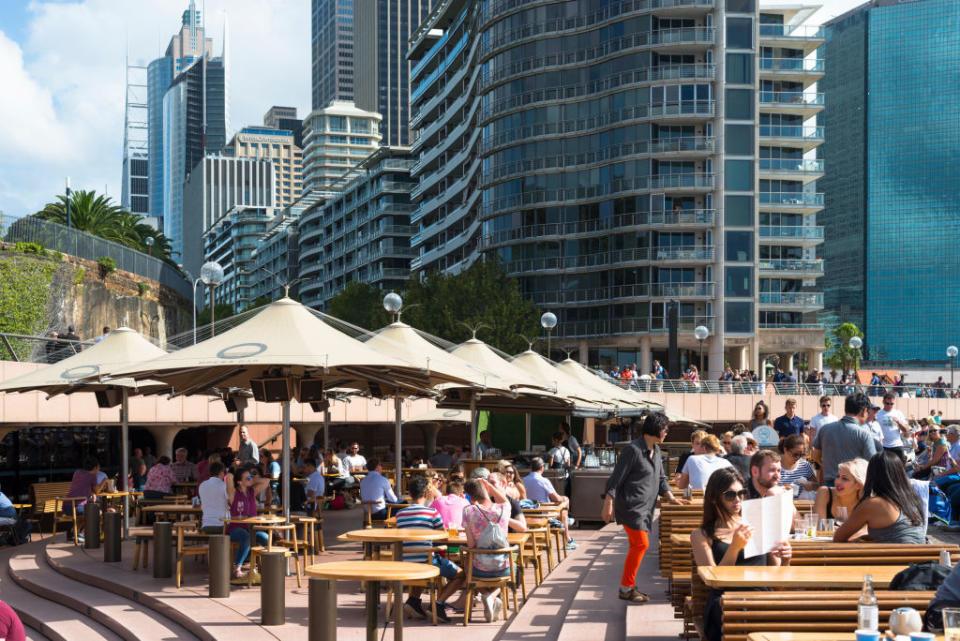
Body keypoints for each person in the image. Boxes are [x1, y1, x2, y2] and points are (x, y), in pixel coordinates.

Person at [690, 467, 792, 641]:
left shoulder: (757, 525)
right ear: (714, 498)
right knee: (735, 614)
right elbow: (715, 583)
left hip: (761, 597)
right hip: (726, 600)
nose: (737, 500)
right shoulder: (702, 535)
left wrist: (786, 559)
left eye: (741, 493)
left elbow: (777, 583)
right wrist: (734, 548)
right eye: (730, 495)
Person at [602, 413, 688, 603]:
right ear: (656, 429)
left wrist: (672, 498)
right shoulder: (632, 450)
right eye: (665, 429)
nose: (667, 433)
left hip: (645, 509)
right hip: (631, 507)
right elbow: (616, 478)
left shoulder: (656, 451)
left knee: (637, 545)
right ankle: (626, 587)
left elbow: (661, 479)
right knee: (641, 544)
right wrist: (608, 502)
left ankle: (628, 586)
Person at [394, 477, 464, 623]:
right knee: (461, 575)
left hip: (405, 562)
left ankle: (413, 601)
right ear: (426, 494)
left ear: (409, 494)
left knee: (423, 557)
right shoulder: (432, 513)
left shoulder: (399, 515)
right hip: (427, 561)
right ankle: (437, 605)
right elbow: (444, 537)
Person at [833, 451, 925, 544]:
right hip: (921, 556)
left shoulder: (873, 504)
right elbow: (899, 532)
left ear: (872, 475)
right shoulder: (912, 499)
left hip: (896, 557)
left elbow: (839, 537)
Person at [462, 477, 513, 622]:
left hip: (480, 569)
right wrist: (489, 485)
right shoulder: (503, 508)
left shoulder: (468, 511)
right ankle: (492, 596)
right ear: (486, 490)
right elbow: (505, 501)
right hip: (503, 568)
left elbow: (471, 545)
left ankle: (486, 594)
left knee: (468, 565)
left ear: (469, 494)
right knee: (514, 568)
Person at [812, 393, 879, 485]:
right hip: (852, 489)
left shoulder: (825, 429)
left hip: (829, 488)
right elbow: (873, 464)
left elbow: (815, 457)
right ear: (864, 411)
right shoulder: (864, 434)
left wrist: (829, 466)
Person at [226, 465, 272, 579]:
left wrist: (250, 478)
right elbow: (229, 477)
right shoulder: (234, 493)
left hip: (253, 529)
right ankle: (237, 569)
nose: (251, 479)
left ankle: (269, 568)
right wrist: (240, 474)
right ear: (239, 482)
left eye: (251, 477)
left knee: (267, 538)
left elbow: (266, 481)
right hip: (235, 529)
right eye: (247, 478)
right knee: (246, 537)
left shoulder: (252, 492)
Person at [522, 457, 576, 549]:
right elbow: (556, 498)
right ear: (542, 468)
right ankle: (568, 539)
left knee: (563, 508)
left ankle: (567, 521)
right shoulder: (544, 481)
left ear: (531, 467)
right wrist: (565, 500)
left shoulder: (523, 480)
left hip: (528, 514)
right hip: (544, 515)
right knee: (564, 508)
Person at [814, 458, 867, 537]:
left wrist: (838, 530)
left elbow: (867, 531)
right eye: (838, 476)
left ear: (859, 485)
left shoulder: (866, 501)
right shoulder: (824, 493)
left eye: (844, 479)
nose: (837, 481)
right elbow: (820, 528)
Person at [198, 462, 231, 534]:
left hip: (206, 525)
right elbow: (232, 502)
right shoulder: (224, 486)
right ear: (221, 472)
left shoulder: (202, 485)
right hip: (222, 525)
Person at [877, 392, 911, 458]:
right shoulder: (878, 414)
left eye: (892, 404)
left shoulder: (898, 413)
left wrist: (899, 422)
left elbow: (906, 430)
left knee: (899, 466)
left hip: (897, 445)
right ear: (883, 402)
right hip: (883, 446)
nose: (889, 405)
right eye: (887, 403)